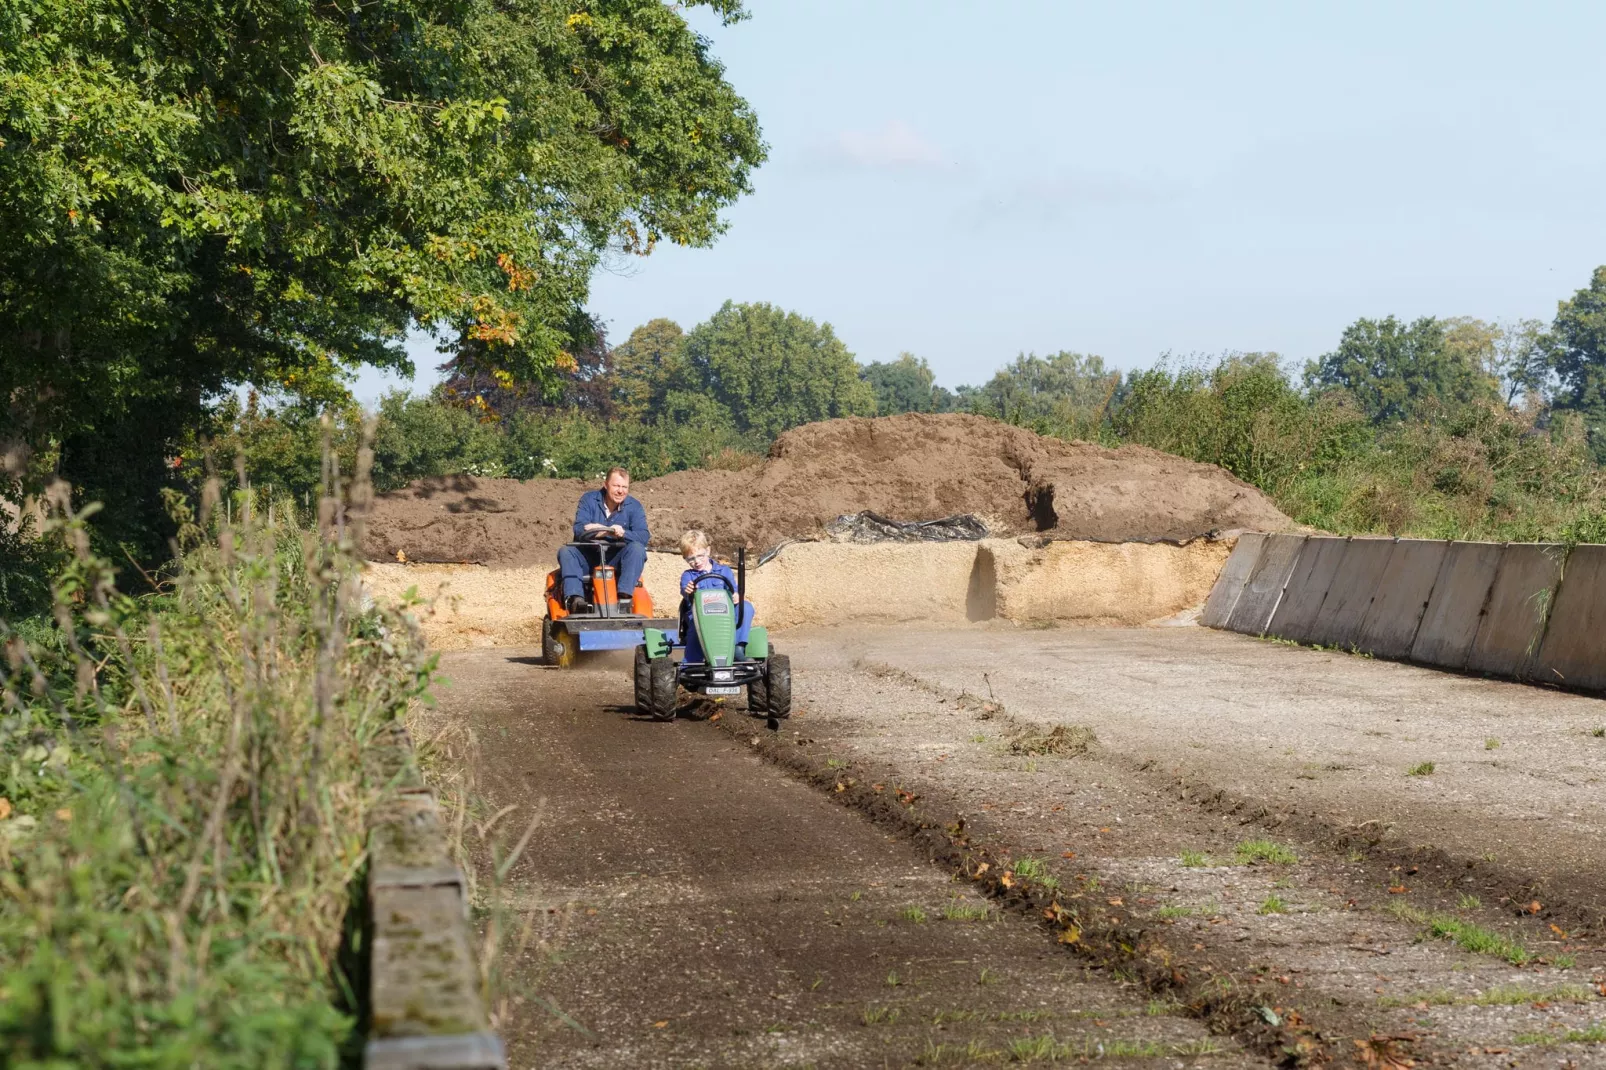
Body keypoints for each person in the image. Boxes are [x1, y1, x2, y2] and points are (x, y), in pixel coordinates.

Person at [557, 468, 648, 613]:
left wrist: (622, 533)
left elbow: (643, 536)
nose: (620, 491)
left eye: (624, 487)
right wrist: (607, 530)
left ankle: (624, 598)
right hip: (589, 557)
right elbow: (580, 529)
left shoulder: (634, 506)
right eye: (616, 486)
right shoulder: (589, 500)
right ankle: (576, 600)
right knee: (566, 551)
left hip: (616, 559)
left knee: (637, 549)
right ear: (606, 485)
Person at [677, 529, 756, 662]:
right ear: (685, 559)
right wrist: (689, 590)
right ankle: (691, 663)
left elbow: (733, 590)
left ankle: (738, 647)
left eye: (700, 555)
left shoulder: (724, 571)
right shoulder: (688, 575)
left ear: (708, 551)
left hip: (723, 613)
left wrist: (735, 595)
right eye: (691, 559)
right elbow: (685, 590)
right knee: (694, 630)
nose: (696, 561)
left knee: (746, 607)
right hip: (698, 615)